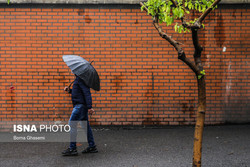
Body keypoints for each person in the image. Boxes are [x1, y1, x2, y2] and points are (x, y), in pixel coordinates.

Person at [62, 75, 98, 156]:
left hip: (80, 106)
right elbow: (78, 93)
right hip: (81, 106)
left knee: (72, 124)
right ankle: (92, 146)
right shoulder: (78, 79)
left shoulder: (81, 80)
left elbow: (87, 93)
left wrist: (90, 107)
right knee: (86, 127)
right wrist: (70, 91)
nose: (71, 70)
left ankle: (72, 148)